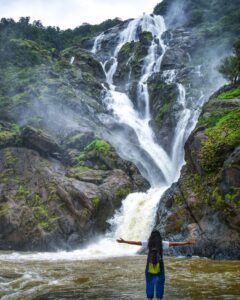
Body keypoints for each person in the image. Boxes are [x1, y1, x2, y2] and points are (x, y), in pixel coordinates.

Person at [117, 230, 194, 300]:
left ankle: (149, 298)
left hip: (149, 265)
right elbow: (175, 244)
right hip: (160, 265)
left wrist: (124, 241)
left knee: (149, 282)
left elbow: (136, 242)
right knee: (160, 283)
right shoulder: (162, 243)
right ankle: (159, 298)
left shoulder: (148, 243)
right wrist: (186, 243)